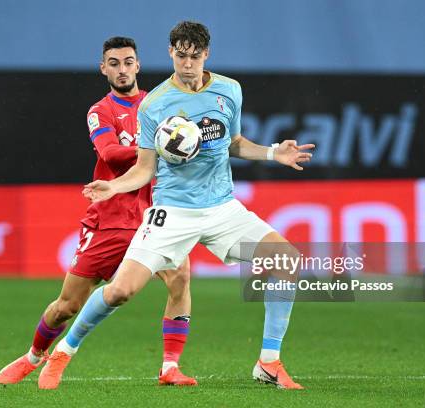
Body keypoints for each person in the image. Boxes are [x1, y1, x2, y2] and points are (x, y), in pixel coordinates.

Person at [68, 21, 315, 390]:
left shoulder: (230, 90)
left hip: (222, 207)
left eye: (195, 57)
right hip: (174, 212)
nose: (187, 64)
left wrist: (271, 153)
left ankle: (268, 361)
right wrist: (113, 187)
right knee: (120, 291)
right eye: (181, 56)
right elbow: (145, 168)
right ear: (171, 53)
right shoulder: (154, 105)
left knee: (286, 260)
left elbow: (233, 143)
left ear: (206, 55)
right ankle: (64, 351)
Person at [0, 37, 196, 389]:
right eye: (114, 63)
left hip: (154, 215)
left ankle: (169, 367)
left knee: (179, 277)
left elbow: (184, 143)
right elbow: (110, 153)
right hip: (110, 218)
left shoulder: (159, 104)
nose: (122, 69)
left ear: (138, 65)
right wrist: (154, 148)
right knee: (67, 305)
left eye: (128, 62)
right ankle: (33, 356)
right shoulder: (100, 110)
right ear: (103, 68)